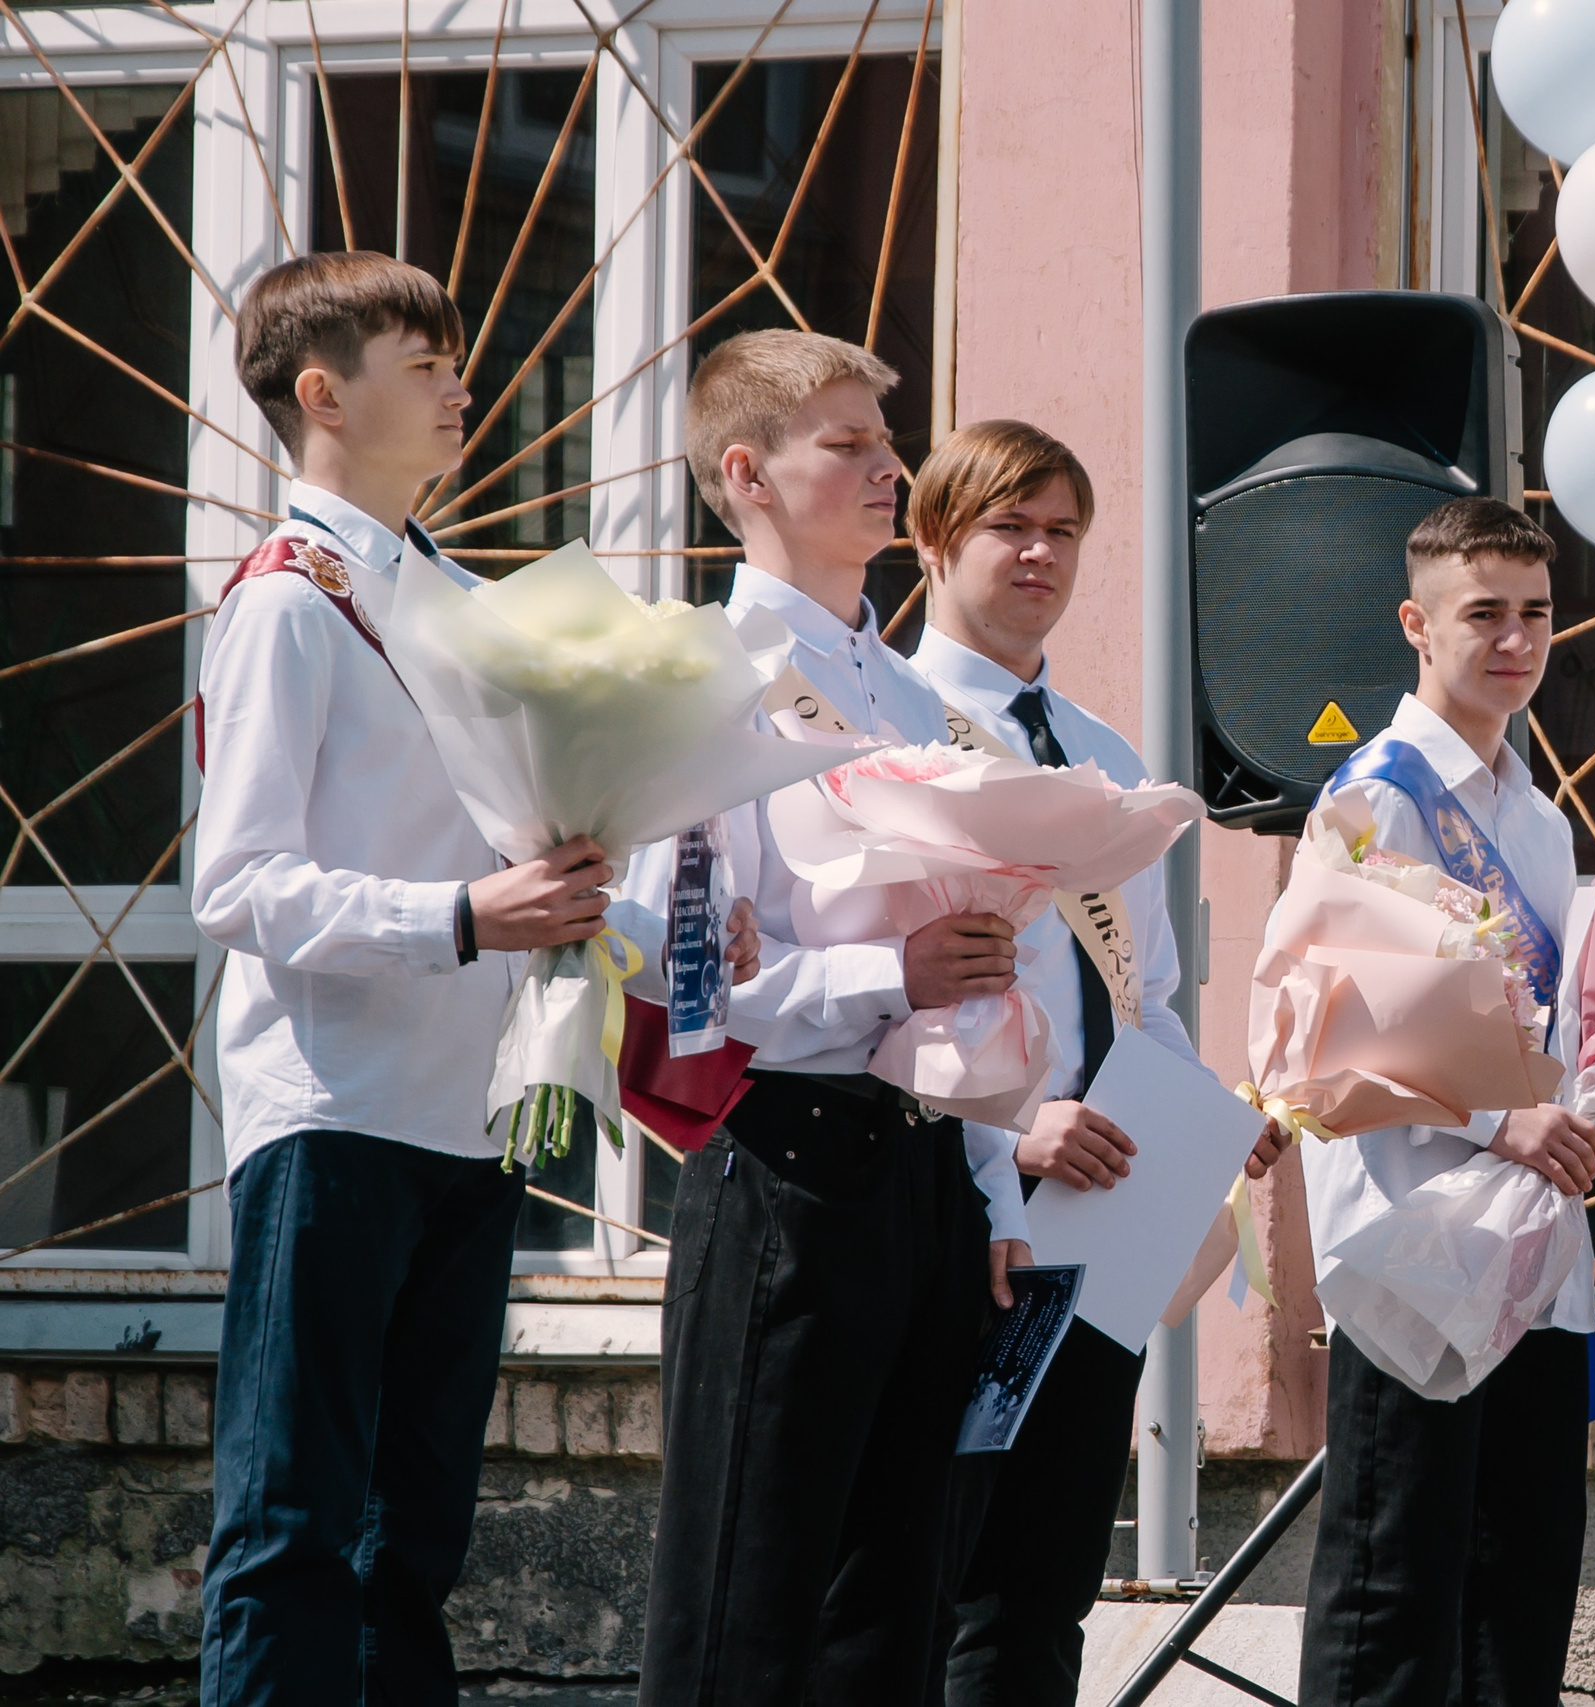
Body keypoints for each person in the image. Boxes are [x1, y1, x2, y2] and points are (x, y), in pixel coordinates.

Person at [192, 251, 617, 1705]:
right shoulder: (286, 599)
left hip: (469, 1102)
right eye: (425, 364)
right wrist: (461, 913)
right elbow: (236, 882)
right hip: (336, 1099)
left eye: (456, 361)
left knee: (413, 1537)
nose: (461, 389)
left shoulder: (453, 589)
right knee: (294, 1521)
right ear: (322, 392)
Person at [634, 330, 1017, 1704]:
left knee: (891, 1610)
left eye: (884, 439)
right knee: (746, 1594)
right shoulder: (701, 676)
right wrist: (881, 980)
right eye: (847, 444)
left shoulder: (914, 692)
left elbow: (970, 956)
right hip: (785, 1156)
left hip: (922, 1169)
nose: (888, 467)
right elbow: (673, 977)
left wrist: (986, 1176)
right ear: (746, 473)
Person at [906, 418, 1282, 1707]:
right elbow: (872, 1015)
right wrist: (1010, 1142)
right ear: (936, 539)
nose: (1040, 553)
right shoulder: (894, 730)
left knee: (1047, 1582)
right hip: (959, 1214)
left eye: (1063, 530)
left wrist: (1204, 1123)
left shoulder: (1102, 749)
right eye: (1009, 525)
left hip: (1102, 1213)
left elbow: (1149, 995)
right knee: (939, 1578)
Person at [1294, 496, 1595, 1707]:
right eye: (1485, 613)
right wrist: (1494, 1121)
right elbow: (1329, 1024)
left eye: (1535, 613)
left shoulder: (1534, 812)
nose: (1516, 639)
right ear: (1416, 623)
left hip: (1529, 1242)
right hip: (1415, 1239)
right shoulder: (1378, 793)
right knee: (1394, 1591)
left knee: (1519, 1583)